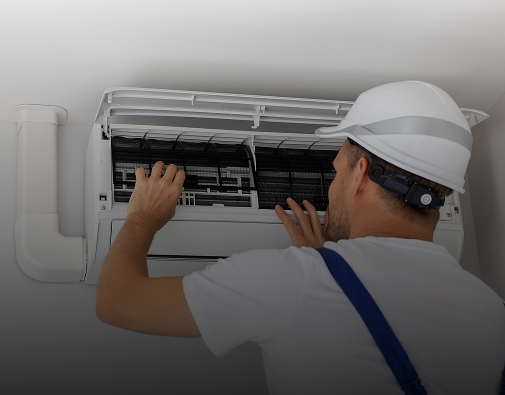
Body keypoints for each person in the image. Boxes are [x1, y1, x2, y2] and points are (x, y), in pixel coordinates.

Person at [96, 81, 505, 394]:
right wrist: (332, 268)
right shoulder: (493, 312)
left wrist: (141, 220)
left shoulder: (294, 282)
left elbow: (117, 302)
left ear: (360, 173)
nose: (333, 186)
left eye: (338, 170)